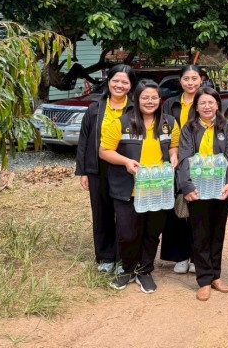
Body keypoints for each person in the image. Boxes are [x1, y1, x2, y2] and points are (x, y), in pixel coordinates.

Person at [100, 80, 180, 294]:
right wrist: (126, 162)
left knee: (152, 232)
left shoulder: (170, 122)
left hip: (158, 187)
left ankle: (144, 270)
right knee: (128, 233)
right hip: (129, 189)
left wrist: (174, 156)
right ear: (136, 99)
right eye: (145, 97)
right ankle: (127, 269)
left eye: (154, 97)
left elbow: (174, 145)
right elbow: (104, 151)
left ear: (160, 100)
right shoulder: (121, 122)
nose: (150, 101)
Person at [177, 87, 228, 301]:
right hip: (197, 187)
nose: (207, 106)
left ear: (217, 105)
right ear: (196, 107)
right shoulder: (189, 128)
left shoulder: (226, 126)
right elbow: (184, 158)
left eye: (211, 102)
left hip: (220, 187)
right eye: (202, 103)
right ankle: (204, 279)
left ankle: (216, 275)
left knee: (217, 231)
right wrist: (187, 186)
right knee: (200, 233)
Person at [75, 64, 136, 274]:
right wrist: (83, 171)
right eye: (115, 80)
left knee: (125, 214)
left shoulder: (135, 109)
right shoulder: (95, 108)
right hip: (98, 168)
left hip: (126, 167)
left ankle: (122, 258)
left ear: (131, 85)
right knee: (101, 212)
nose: (119, 85)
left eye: (124, 82)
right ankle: (105, 257)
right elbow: (84, 140)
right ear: (108, 82)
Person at [161, 64, 201, 274]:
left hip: (200, 163)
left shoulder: (206, 100)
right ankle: (181, 256)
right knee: (176, 209)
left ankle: (196, 256)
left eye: (194, 78)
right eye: (186, 79)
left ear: (201, 80)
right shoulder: (171, 103)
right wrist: (170, 155)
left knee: (198, 210)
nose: (190, 83)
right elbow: (164, 130)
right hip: (175, 160)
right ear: (180, 81)